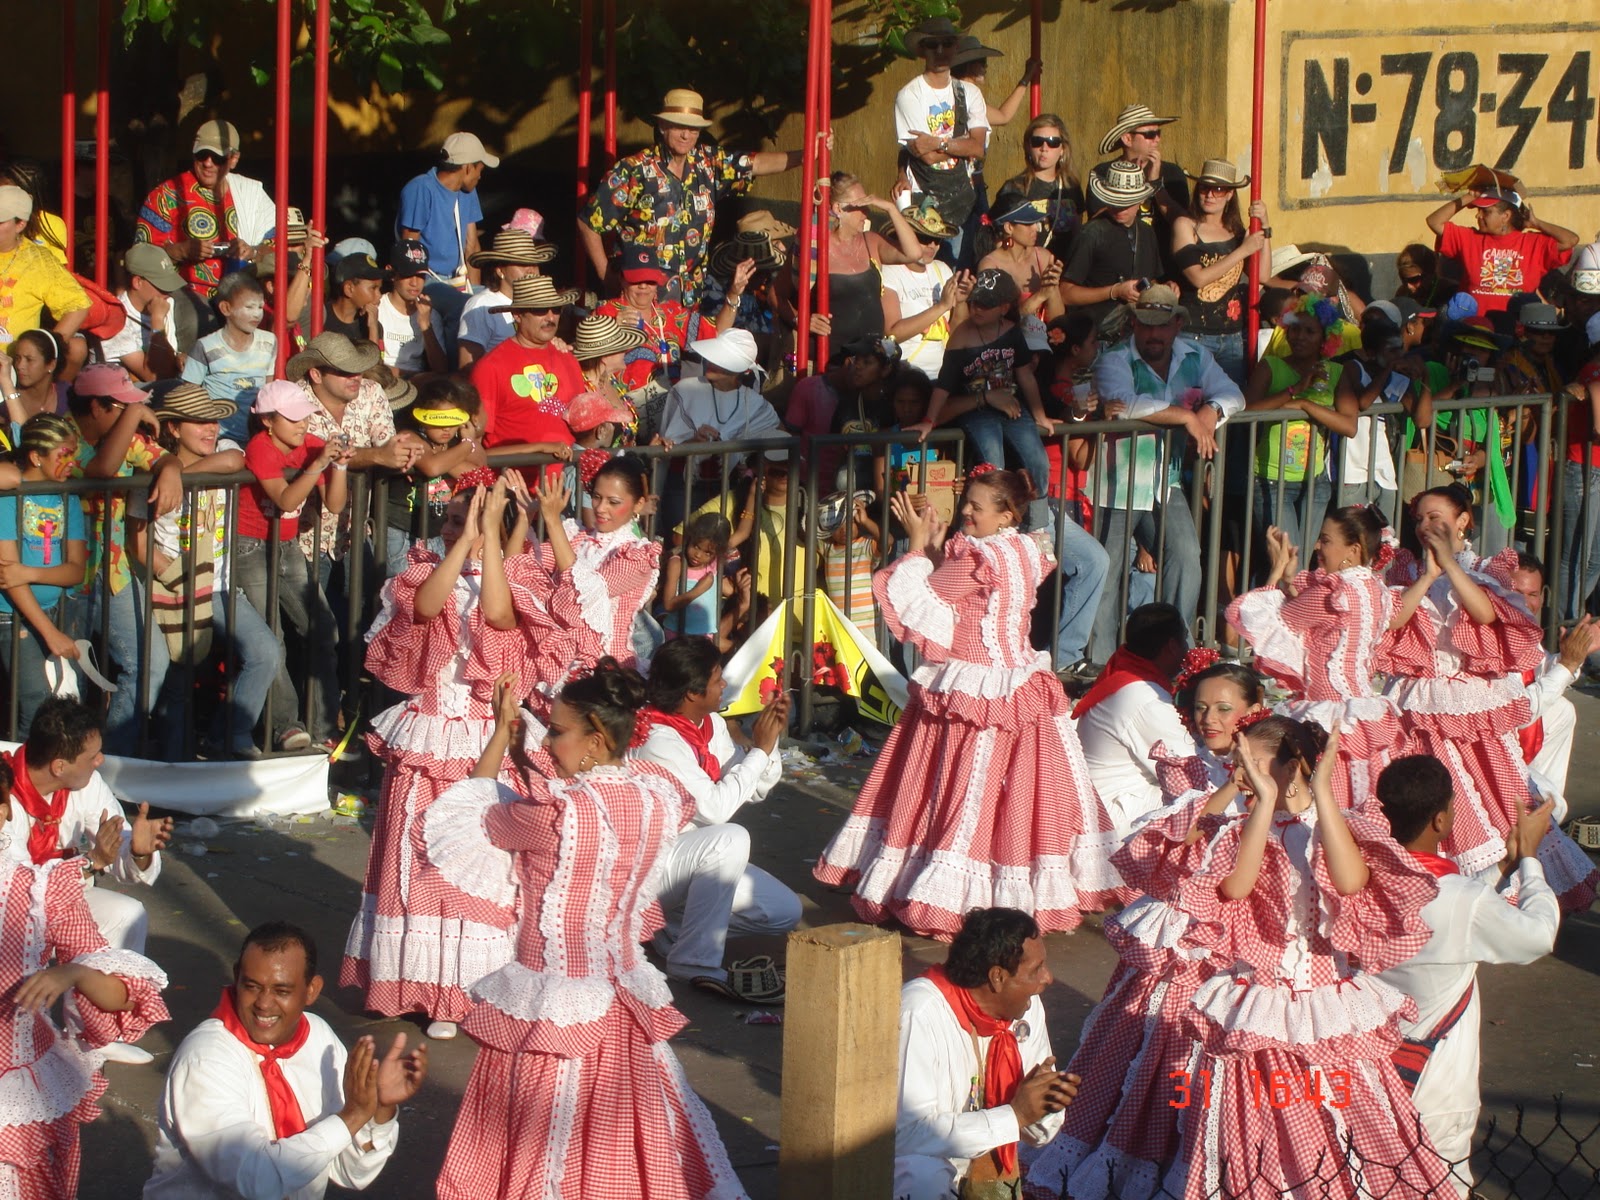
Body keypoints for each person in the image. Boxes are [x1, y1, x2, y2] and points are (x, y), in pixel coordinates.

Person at [425, 665, 745, 1198]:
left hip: (553, 1002)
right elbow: (584, 798)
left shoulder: (555, 815)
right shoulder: (655, 798)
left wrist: (502, 736)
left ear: (596, 738)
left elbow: (476, 808)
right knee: (635, 1132)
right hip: (620, 996)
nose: (548, 741)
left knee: (546, 1133)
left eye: (557, 730)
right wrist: (531, 748)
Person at [814, 468, 1123, 939]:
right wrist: (938, 547)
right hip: (1019, 679)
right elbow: (968, 596)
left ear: (1006, 514)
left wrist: (916, 546)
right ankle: (1016, 888)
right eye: (966, 504)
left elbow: (924, 598)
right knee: (1018, 791)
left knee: (961, 789)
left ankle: (951, 894)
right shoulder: (1028, 547)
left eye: (977, 506)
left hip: (977, 685)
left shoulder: (978, 554)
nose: (966, 512)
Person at [1023, 661, 1264, 1200]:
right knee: (1148, 1040)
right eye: (1201, 707)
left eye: (1225, 708)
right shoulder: (1184, 765)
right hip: (1181, 930)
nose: (1210, 719)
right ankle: (1136, 1156)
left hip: (1244, 936)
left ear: (1253, 710)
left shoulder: (1276, 761)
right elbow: (1178, 833)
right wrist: (1236, 788)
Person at [341, 479, 523, 1040]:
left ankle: (462, 994)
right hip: (426, 735)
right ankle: (412, 985)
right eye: (448, 519)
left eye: (465, 518)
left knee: (471, 864)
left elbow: (498, 616)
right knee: (412, 856)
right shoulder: (418, 570)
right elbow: (425, 607)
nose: (452, 528)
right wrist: (462, 540)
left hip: (483, 735)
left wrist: (488, 541)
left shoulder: (518, 577)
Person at [1383, 485, 1598, 911]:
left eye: (1435, 517)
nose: (1425, 526)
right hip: (1415, 702)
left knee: (1485, 800)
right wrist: (1429, 573)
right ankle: (1432, 896)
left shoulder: (1486, 570)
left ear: (1463, 520)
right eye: (1419, 519)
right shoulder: (1408, 571)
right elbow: (1390, 624)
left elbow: (1484, 614)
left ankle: (1493, 901)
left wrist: (1448, 565)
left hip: (1466, 705)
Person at [1372, 756, 1560, 1199]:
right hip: (1436, 1083)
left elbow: (1449, 899)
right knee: (1441, 1184)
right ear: (1441, 820)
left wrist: (1503, 868)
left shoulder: (1359, 879)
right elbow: (1538, 935)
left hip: (1368, 1073)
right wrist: (1530, 862)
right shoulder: (1461, 900)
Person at [146, 921, 426, 1199]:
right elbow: (255, 1179)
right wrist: (353, 1115)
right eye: (252, 987)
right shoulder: (205, 1058)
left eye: (282, 991)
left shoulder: (319, 1038)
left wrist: (379, 1109)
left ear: (312, 990)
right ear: (236, 977)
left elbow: (350, 1172)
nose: (264, 1004)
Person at [0, 751, 169, 1200]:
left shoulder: (42, 890)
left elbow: (124, 997)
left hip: (14, 1100)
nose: (95, 760)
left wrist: (73, 972)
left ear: (2, 811)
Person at [5, 695, 173, 1064]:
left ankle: (92, 1031)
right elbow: (17, 885)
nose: (100, 762)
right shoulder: (4, 791)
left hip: (60, 905)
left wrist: (138, 850)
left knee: (127, 914)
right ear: (59, 765)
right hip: (9, 917)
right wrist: (91, 862)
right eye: (92, 756)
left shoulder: (86, 783)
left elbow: (116, 847)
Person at [1230, 506, 1433, 808]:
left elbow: (1277, 619)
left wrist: (1276, 569)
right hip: (1362, 708)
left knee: (1326, 799)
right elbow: (1316, 619)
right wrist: (1289, 578)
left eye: (1325, 541)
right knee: (1362, 797)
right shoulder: (1375, 587)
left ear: (1352, 549)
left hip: (1329, 711)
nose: (1317, 547)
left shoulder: (1335, 592)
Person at [629, 637, 796, 1002]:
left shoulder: (709, 725)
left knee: (784, 911)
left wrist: (769, 742)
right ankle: (694, 961)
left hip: (693, 857)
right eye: (717, 679)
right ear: (692, 692)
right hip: (649, 869)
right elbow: (718, 808)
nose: (724, 686)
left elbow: (754, 788)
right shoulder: (659, 739)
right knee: (730, 836)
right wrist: (760, 750)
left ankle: (675, 933)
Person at [1089, 284, 1244, 658]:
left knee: (1188, 559)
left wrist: (1209, 413)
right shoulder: (1114, 359)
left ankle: (1176, 651)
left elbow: (1233, 394)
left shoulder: (1196, 354)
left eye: (1161, 325)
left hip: (1166, 481)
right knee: (1108, 577)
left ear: (1176, 324)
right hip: (1117, 482)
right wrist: (1187, 416)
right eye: (1145, 325)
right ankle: (1099, 663)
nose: (1153, 334)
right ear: (1133, 324)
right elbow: (1123, 403)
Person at [141, 383, 282, 759]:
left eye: (214, 421)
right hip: (175, 585)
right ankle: (174, 763)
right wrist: (165, 470)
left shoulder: (220, 452)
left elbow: (235, 462)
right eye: (198, 421)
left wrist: (178, 475)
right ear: (173, 429)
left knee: (265, 652)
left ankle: (228, 735)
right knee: (179, 678)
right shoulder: (149, 465)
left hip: (219, 585)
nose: (210, 428)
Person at [896, 907, 1076, 1199]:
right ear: (997, 978)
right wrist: (1015, 1115)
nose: (1048, 979)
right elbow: (909, 1133)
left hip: (983, 1165)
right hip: (921, 1169)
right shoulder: (919, 1012)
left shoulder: (1026, 1011)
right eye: (1035, 970)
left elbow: (1040, 1135)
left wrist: (1046, 1102)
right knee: (921, 1175)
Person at [478, 458, 663, 725]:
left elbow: (580, 597)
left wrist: (552, 522)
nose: (600, 508)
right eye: (596, 497)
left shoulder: (638, 555)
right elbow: (515, 571)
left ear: (638, 504)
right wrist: (524, 518)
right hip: (554, 667)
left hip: (605, 673)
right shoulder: (576, 536)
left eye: (613, 501)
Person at [579, 87, 805, 304]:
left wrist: (806, 155)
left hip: (690, 299)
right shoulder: (633, 170)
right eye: (679, 127)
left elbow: (756, 163)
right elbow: (588, 223)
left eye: (693, 128)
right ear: (662, 125)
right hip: (641, 301)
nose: (686, 135)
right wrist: (606, 276)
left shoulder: (706, 163)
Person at [67, 363, 188, 755]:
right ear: (98, 408)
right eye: (121, 407)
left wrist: (170, 468)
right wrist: (136, 413)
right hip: (65, 581)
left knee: (149, 663)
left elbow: (160, 458)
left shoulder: (126, 433)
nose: (130, 414)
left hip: (113, 573)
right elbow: (99, 470)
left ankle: (113, 763)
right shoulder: (61, 435)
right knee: (68, 683)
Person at [236, 380, 352, 751]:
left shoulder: (311, 445)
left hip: (285, 545)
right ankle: (285, 726)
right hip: (248, 546)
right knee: (273, 640)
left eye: (305, 417)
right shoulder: (260, 448)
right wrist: (318, 463)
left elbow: (334, 505)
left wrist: (341, 468)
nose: (303, 425)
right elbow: (286, 500)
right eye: (293, 418)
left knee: (322, 629)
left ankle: (321, 727)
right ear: (268, 421)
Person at [912, 268, 1054, 530]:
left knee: (1038, 462)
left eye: (985, 305)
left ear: (1003, 307)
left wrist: (1040, 414)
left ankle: (1038, 527)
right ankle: (991, 529)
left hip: (1011, 406)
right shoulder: (960, 338)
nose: (977, 309)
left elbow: (1026, 377)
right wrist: (929, 420)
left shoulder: (1012, 332)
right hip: (977, 410)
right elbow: (943, 386)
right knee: (993, 465)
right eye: (974, 302)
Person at [1242, 291, 1358, 560]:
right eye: (1294, 329)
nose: (1300, 337)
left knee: (1304, 562)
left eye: (1309, 331)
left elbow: (1349, 425)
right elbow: (1247, 411)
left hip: (1315, 481)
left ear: (1326, 338)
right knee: (1287, 559)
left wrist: (1307, 406)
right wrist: (1295, 390)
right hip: (1271, 480)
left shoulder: (1336, 373)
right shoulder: (1270, 366)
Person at [1073, 603, 1198, 839]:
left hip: (1102, 803)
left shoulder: (1125, 673)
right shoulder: (1145, 698)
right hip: (1112, 817)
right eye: (1185, 641)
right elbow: (1191, 771)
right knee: (1218, 800)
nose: (1187, 651)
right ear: (1172, 646)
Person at [0, 415, 86, 731]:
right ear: (37, 457)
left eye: (73, 455)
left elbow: (76, 570)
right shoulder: (9, 498)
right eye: (64, 455)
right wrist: (49, 633)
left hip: (59, 609)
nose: (72, 463)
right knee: (35, 705)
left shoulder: (69, 497)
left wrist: (28, 572)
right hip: (13, 615)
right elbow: (9, 578)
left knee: (66, 703)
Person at [894, 18, 991, 264]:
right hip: (924, 201)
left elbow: (978, 148)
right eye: (932, 45)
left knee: (964, 271)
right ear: (922, 50)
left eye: (947, 43)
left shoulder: (969, 93)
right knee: (929, 269)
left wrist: (938, 143)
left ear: (955, 48)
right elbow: (923, 155)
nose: (940, 51)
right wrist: (962, 144)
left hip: (964, 199)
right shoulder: (910, 95)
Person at [1170, 158, 1269, 386]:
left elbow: (1262, 277)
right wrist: (1243, 251)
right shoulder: (1186, 225)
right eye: (1205, 187)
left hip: (1232, 338)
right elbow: (1197, 278)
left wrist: (1266, 226)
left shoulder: (1236, 230)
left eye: (1218, 189)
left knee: (1230, 407)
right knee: (1190, 401)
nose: (1210, 195)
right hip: (1192, 334)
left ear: (1229, 194)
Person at [1505, 552, 1595, 798]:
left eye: (1532, 595)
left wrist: (1573, 654)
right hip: (1494, 745)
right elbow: (1520, 711)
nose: (1523, 602)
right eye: (1515, 592)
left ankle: (1545, 809)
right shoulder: (1488, 636)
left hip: (1520, 740)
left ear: (1542, 596)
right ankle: (1537, 808)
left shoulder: (1527, 632)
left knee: (1562, 710)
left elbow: (1538, 674)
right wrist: (1566, 664)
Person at [594, 247, 725, 408]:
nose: (643, 286)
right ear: (622, 279)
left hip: (670, 411)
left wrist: (733, 295)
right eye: (636, 280)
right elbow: (587, 360)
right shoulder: (605, 312)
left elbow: (715, 331)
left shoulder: (671, 312)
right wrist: (612, 329)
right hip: (624, 410)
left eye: (649, 281)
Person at [1425, 183, 1577, 321]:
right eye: (1479, 211)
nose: (1478, 216)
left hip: (1520, 329)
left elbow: (1570, 240)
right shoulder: (1470, 239)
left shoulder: (1533, 243)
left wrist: (1537, 224)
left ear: (1506, 216)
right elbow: (1434, 221)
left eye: (1486, 212)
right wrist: (1469, 197)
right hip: (1476, 328)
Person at [469, 275, 586, 454]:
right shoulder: (491, 366)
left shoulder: (567, 358)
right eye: (539, 310)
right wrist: (540, 449)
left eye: (555, 309)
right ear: (517, 315)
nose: (550, 317)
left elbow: (580, 426)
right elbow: (474, 447)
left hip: (568, 476)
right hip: (515, 477)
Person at [134, 124, 246, 299]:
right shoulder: (166, 195)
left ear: (233, 159)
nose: (208, 163)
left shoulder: (248, 194)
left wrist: (252, 251)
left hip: (244, 294)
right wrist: (179, 251)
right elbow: (139, 257)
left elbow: (276, 245)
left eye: (217, 158)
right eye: (202, 155)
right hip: (186, 295)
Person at [814, 172, 921, 352]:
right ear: (839, 209)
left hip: (869, 360)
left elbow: (914, 253)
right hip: (828, 357)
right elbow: (777, 294)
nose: (867, 211)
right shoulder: (815, 247)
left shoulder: (871, 241)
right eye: (860, 205)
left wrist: (890, 208)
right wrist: (799, 319)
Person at [1058, 162, 1162, 330]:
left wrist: (1164, 290)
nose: (1120, 207)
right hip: (1097, 336)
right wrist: (1115, 291)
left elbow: (1152, 279)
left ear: (1142, 200)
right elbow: (1065, 293)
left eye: (1127, 201)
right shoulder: (1091, 233)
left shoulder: (1147, 232)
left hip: (1137, 333)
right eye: (1114, 200)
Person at [182, 269, 278, 444]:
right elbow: (189, 396)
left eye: (260, 307)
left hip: (258, 437)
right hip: (219, 438)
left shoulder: (269, 342)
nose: (257, 314)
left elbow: (268, 389)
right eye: (249, 307)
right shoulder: (205, 347)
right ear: (226, 308)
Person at [396, 130, 499, 293]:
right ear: (467, 168)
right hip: (427, 281)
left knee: (487, 305)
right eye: (480, 169)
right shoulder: (421, 189)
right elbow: (409, 249)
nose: (479, 176)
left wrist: (474, 295)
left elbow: (471, 245)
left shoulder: (468, 192)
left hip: (458, 279)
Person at [1095, 103, 1190, 274]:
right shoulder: (1103, 173)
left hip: (1164, 266)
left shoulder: (1172, 173)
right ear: (1127, 139)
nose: (1157, 139)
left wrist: (1156, 185)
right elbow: (1097, 221)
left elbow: (1182, 222)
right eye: (1150, 134)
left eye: (1158, 133)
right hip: (1119, 267)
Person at [880, 202, 968, 382]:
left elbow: (956, 331)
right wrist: (941, 306)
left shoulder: (942, 269)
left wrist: (960, 302)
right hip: (905, 374)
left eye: (938, 239)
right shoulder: (890, 271)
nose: (932, 245)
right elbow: (891, 334)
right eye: (924, 237)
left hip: (942, 375)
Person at [660, 328, 785, 447]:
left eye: (720, 359)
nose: (711, 361)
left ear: (740, 369)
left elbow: (782, 443)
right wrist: (693, 442)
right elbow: (667, 446)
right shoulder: (684, 390)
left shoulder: (756, 405)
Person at [0, 185, 89, 348]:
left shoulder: (38, 261)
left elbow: (77, 306)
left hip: (10, 366)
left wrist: (45, 352)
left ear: (20, 224)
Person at [457, 228, 555, 368]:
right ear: (500, 270)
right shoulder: (481, 305)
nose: (531, 270)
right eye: (522, 264)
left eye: (534, 263)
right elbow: (467, 368)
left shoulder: (543, 304)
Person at [994, 113, 1086, 257]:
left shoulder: (1072, 187)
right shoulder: (1014, 187)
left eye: (1052, 142)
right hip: (1026, 270)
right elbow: (999, 239)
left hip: (1063, 269)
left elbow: (1078, 234)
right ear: (1028, 146)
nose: (1044, 148)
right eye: (1037, 141)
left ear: (1063, 149)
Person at [101, 243, 186, 381]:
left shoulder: (165, 302)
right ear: (137, 282)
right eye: (162, 286)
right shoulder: (115, 318)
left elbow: (167, 363)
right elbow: (154, 375)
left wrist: (180, 358)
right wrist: (157, 319)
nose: (169, 292)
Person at [975, 197, 1064, 326]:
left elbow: (1058, 321)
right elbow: (999, 323)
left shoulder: (1043, 257)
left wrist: (1053, 287)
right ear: (1009, 227)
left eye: (1036, 222)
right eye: (1028, 224)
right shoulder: (990, 266)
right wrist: (1040, 295)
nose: (1036, 229)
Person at [375, 239, 445, 377]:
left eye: (420, 276)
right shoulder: (378, 307)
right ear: (391, 273)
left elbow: (441, 369)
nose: (415, 283)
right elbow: (372, 367)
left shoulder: (431, 314)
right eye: (407, 275)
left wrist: (425, 325)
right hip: (383, 381)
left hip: (419, 384)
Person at [0, 330, 70, 443]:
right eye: (18, 358)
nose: (20, 366)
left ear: (51, 365)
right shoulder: (4, 398)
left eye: (29, 360)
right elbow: (24, 442)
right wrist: (6, 382)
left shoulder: (67, 394)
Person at [321, 251, 384, 346]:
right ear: (349, 289)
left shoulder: (371, 325)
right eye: (373, 288)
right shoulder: (322, 316)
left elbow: (375, 360)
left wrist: (373, 329)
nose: (379, 295)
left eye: (379, 289)